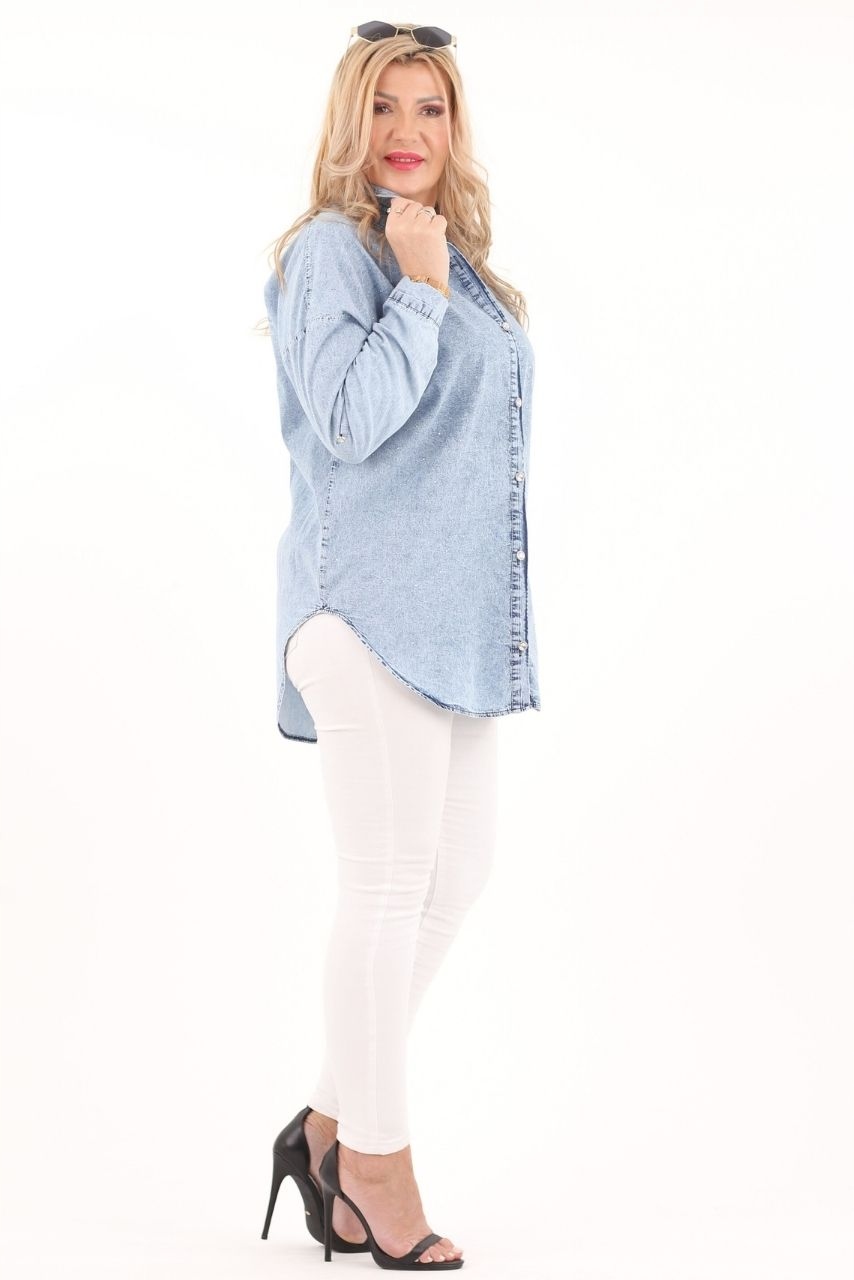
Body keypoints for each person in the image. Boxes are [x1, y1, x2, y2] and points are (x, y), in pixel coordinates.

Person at [258, 20, 541, 1271]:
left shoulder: (454, 256)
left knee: (453, 875)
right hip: (363, 610)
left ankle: (325, 1122)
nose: (406, 132)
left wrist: (437, 276)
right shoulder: (334, 250)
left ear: (454, 124)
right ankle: (373, 1161)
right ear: (349, 120)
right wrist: (416, 290)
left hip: (449, 622)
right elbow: (347, 420)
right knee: (383, 887)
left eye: (429, 108)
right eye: (383, 107)